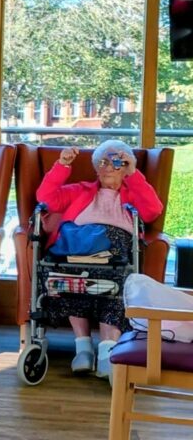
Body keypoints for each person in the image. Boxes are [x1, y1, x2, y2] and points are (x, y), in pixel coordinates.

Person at [36, 140, 163, 381]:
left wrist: (134, 174)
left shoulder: (131, 194)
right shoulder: (80, 190)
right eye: (103, 162)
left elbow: (152, 210)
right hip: (78, 252)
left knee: (114, 278)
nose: (108, 167)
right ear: (96, 167)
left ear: (125, 167)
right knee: (71, 273)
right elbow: (46, 198)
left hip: (115, 254)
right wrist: (62, 165)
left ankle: (107, 350)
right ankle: (82, 347)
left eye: (116, 162)